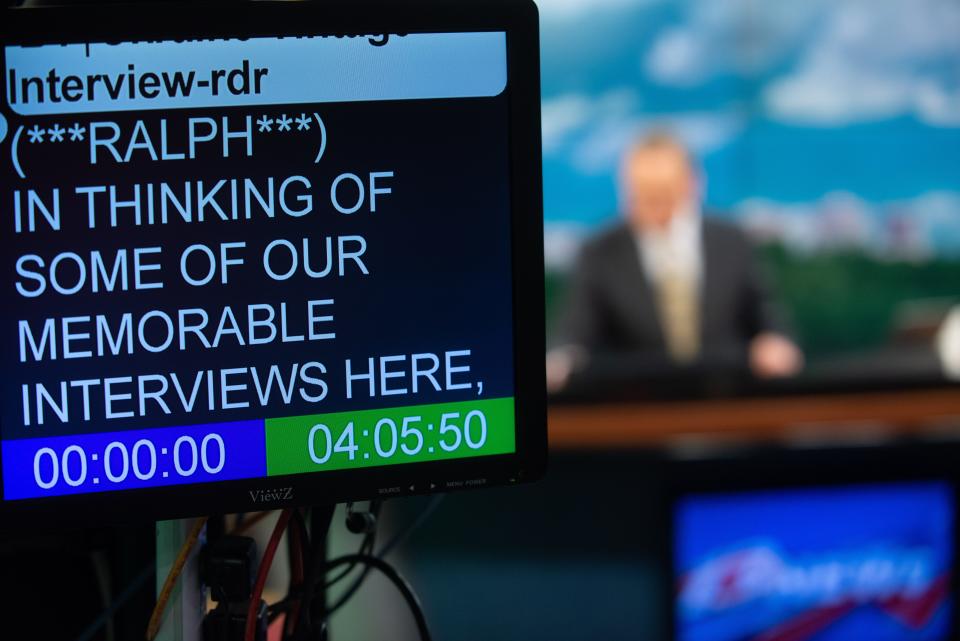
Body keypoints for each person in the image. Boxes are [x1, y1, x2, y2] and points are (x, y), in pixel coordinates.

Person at [547, 132, 803, 393]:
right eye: (644, 193)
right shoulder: (599, 251)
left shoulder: (732, 240)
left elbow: (767, 317)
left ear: (692, 183)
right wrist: (563, 359)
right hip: (635, 406)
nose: (656, 204)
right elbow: (575, 333)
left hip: (727, 397)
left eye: (665, 191)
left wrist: (775, 343)